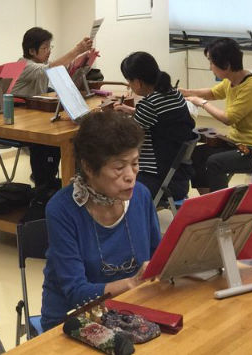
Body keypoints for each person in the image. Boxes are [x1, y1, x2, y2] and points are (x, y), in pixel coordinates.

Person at [40, 109, 161, 333]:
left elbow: (158, 256)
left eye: (135, 163)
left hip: (131, 310)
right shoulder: (62, 210)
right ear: (88, 167)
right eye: (119, 167)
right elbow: (76, 292)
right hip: (75, 319)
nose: (130, 175)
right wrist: (132, 282)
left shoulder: (141, 195)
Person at [181, 38, 252, 192]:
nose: (210, 67)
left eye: (212, 62)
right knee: (196, 155)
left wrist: (201, 103)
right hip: (236, 142)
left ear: (226, 65)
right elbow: (213, 93)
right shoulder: (232, 80)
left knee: (215, 162)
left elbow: (228, 118)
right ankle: (208, 199)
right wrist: (187, 92)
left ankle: (222, 204)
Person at [10, 27, 94, 188]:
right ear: (32, 51)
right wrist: (77, 50)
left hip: (34, 116)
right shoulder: (24, 65)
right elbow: (50, 69)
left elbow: (56, 70)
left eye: (50, 47)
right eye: (45, 48)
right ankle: (44, 182)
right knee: (51, 141)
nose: (49, 51)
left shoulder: (39, 64)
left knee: (66, 135)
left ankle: (51, 180)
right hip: (19, 121)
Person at [116, 51, 196, 201]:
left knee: (109, 178)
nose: (129, 86)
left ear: (138, 82)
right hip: (179, 176)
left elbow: (127, 138)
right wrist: (133, 111)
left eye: (129, 82)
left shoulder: (150, 104)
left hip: (157, 180)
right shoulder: (174, 94)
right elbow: (160, 117)